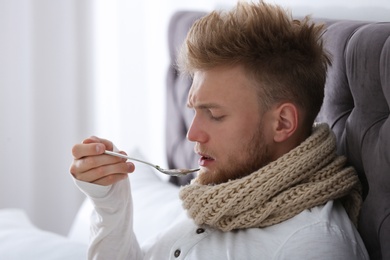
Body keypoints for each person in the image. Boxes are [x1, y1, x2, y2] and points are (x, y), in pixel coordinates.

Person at [70, 1, 369, 259]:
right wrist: (110, 202)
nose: (192, 135)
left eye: (214, 114)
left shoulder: (312, 245)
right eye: (194, 110)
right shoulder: (216, 198)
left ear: (283, 123)